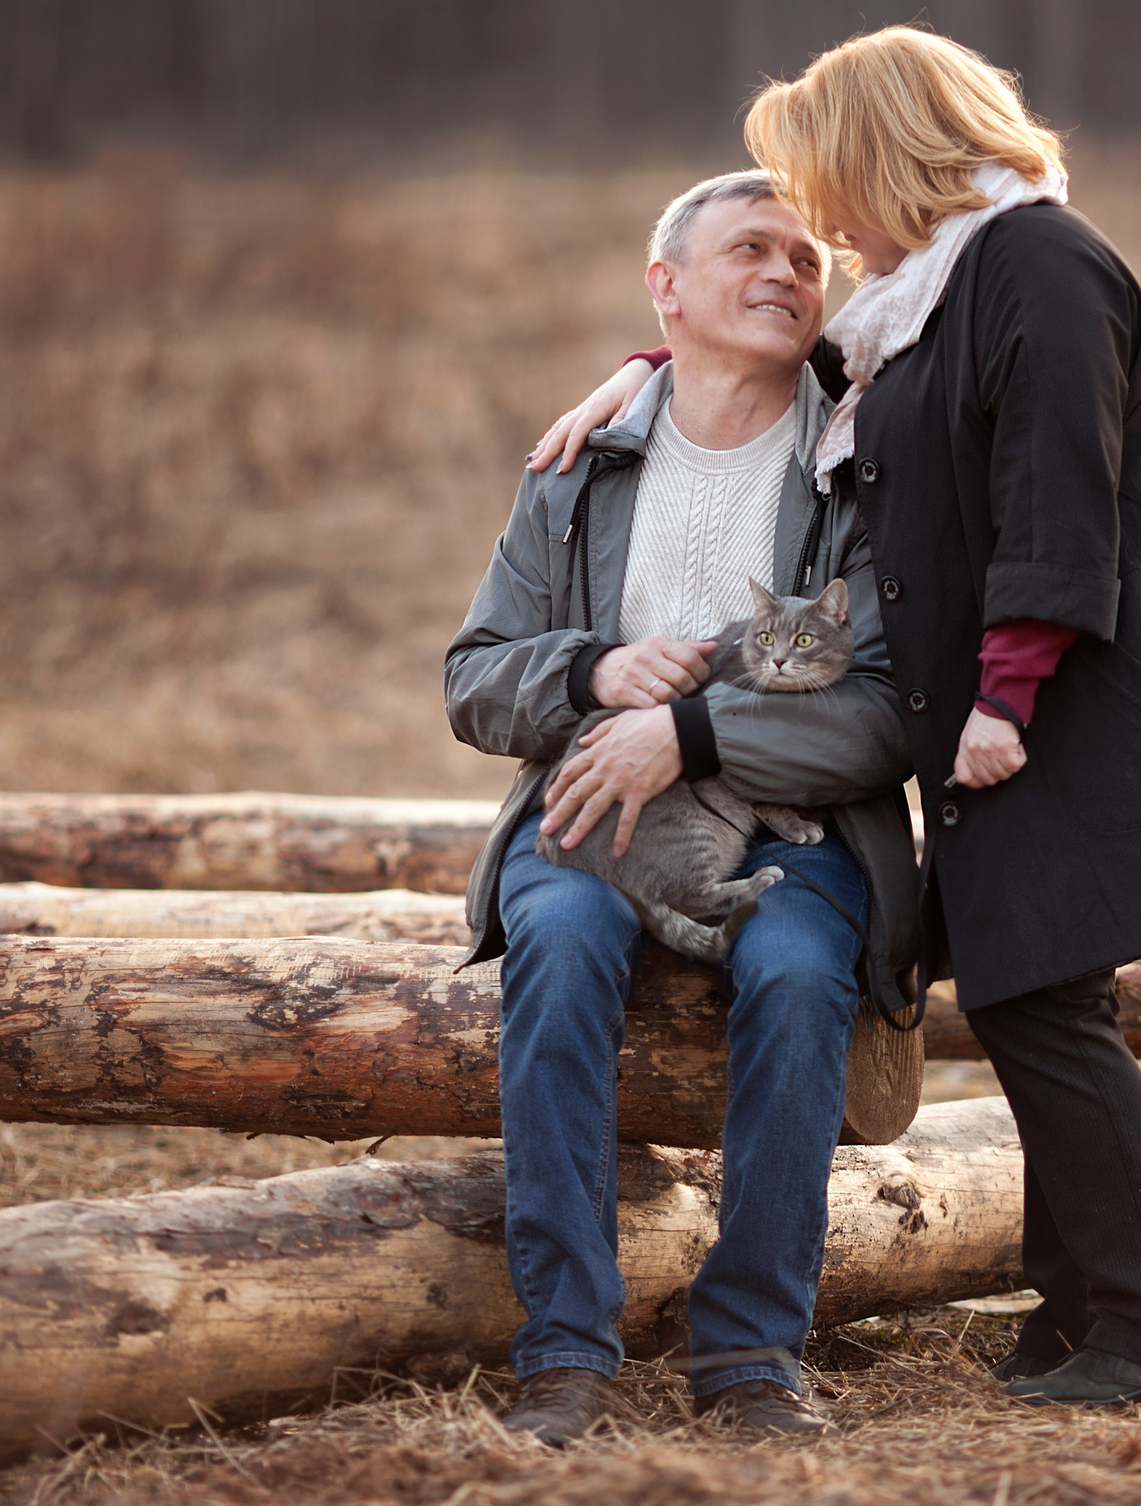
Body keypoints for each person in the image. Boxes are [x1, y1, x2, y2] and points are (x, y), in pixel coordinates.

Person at [531, 28, 1141, 1407]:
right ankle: (1077, 1311)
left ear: (885, 147)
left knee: (1045, 1003)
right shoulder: (935, 291)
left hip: (1076, 695)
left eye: (827, 182)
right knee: (1032, 996)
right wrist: (644, 371)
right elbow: (813, 369)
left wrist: (1004, 694)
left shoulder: (1040, 266)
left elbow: (1060, 503)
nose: (820, 222)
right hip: (1007, 708)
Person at [445, 172, 920, 1444]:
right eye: (748, 250)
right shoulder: (579, 466)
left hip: (801, 830)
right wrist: (591, 671)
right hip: (594, 809)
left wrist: (691, 730)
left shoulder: (860, 466)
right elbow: (473, 678)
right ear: (666, 288)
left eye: (805, 259)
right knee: (554, 949)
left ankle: (753, 1356)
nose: (783, 272)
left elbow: (882, 709)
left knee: (803, 971)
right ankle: (563, 1353)